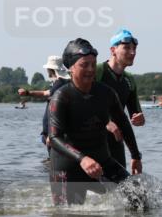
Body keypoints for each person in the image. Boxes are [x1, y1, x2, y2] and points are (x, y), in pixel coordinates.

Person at [48, 38, 142, 205]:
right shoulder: (61, 97)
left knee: (140, 199)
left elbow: (124, 124)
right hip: (67, 168)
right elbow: (55, 138)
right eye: (84, 65)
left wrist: (135, 155)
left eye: (93, 64)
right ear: (71, 68)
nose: (91, 70)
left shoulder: (106, 93)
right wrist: (82, 159)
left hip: (102, 161)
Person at [97, 28, 145, 168]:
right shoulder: (97, 71)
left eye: (134, 48)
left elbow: (130, 119)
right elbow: (79, 105)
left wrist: (136, 156)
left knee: (119, 188)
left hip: (116, 142)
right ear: (113, 50)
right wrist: (105, 122)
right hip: (92, 141)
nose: (133, 52)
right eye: (127, 48)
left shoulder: (129, 80)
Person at [18, 56, 71, 148]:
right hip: (54, 135)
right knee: (49, 162)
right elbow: (45, 93)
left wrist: (51, 135)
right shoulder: (61, 83)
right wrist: (27, 92)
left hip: (54, 136)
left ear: (51, 69)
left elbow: (57, 111)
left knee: (53, 161)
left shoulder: (60, 84)